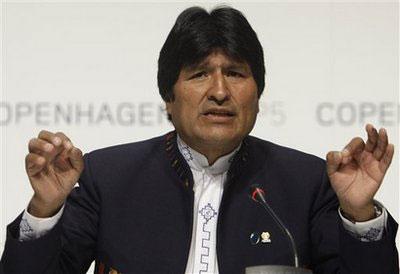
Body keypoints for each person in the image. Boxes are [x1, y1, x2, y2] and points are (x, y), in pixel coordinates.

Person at [1, 6, 398, 274]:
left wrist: (359, 216)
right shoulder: (107, 177)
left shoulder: (307, 181)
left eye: (236, 74)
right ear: (168, 97)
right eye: (199, 74)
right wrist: (44, 210)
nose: (220, 91)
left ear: (258, 94)